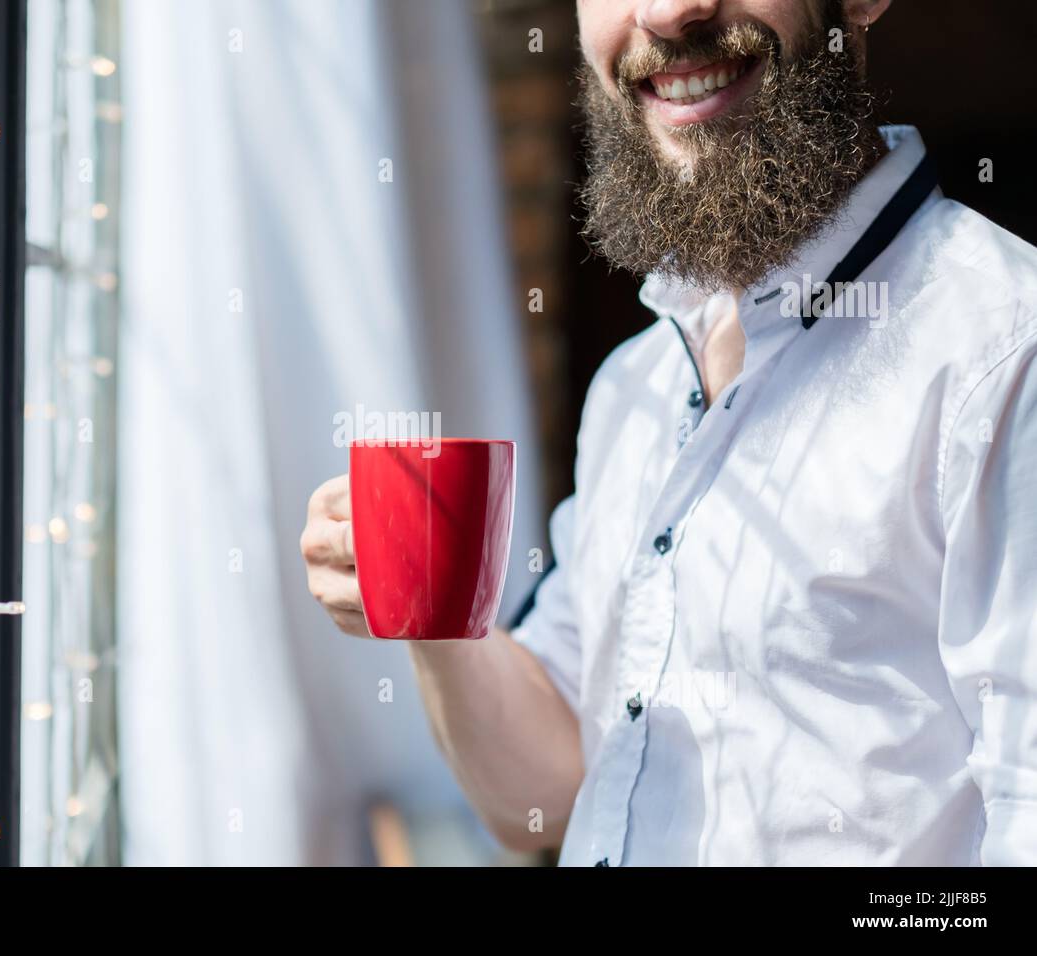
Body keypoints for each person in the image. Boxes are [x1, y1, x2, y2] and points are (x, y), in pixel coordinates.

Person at [300, 0, 1037, 865]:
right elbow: (554, 782)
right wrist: (427, 611)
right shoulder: (634, 383)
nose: (667, 10)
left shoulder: (1002, 351)